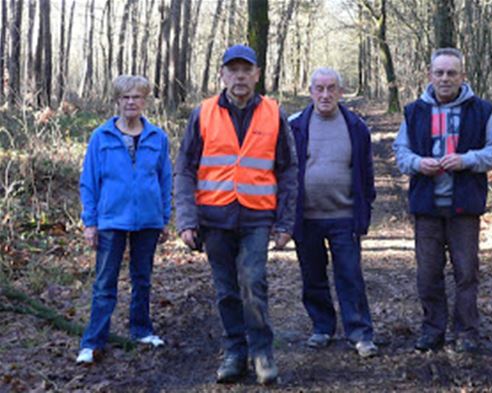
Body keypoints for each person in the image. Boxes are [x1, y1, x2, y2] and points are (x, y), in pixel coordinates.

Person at [174, 45, 297, 385]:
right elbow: (184, 169)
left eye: (246, 70)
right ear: (223, 74)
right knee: (226, 289)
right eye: (233, 70)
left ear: (257, 74)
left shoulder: (274, 113)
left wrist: (286, 222)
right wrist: (186, 219)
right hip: (214, 218)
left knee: (252, 283)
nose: (240, 76)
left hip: (257, 217)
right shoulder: (203, 113)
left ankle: (262, 353)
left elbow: (288, 170)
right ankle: (234, 353)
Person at [393, 48, 492, 353]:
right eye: (439, 72)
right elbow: (401, 153)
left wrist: (467, 160)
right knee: (428, 273)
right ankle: (433, 329)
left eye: (451, 73)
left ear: (462, 76)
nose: (445, 78)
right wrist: (418, 164)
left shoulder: (482, 111)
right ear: (430, 75)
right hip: (427, 206)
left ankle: (467, 331)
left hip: (464, 207)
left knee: (466, 272)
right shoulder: (414, 111)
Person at [77, 75, 172, 364]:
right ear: (117, 101)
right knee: (105, 283)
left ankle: (141, 330)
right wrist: (89, 223)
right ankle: (93, 342)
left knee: (142, 279)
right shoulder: (101, 137)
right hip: (110, 220)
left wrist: (164, 217)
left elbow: (165, 179)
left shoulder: (158, 137)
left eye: (137, 97)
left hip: (148, 220)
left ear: (145, 101)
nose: (131, 102)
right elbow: (89, 182)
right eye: (125, 97)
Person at [288, 67, 378, 358]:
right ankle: (322, 327)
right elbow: (285, 171)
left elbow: (366, 172)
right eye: (319, 88)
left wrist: (365, 209)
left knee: (350, 275)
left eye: (331, 88)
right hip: (307, 217)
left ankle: (360, 333)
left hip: (344, 216)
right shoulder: (295, 126)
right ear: (311, 91)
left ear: (341, 92)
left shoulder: (356, 126)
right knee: (312, 275)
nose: (325, 95)